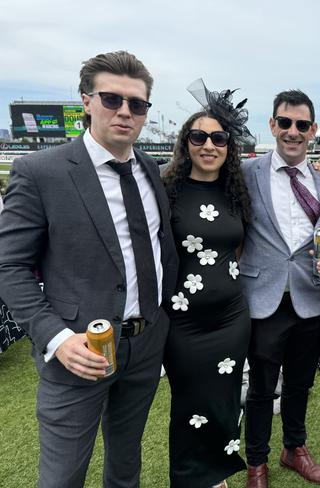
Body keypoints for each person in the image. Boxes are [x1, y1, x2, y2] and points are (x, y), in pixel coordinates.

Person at [0, 51, 178, 487]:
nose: (124, 111)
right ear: (86, 101)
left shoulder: (151, 170)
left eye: (137, 104)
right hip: (77, 350)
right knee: (63, 476)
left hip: (144, 345)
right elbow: (10, 266)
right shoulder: (40, 171)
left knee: (125, 463)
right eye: (111, 99)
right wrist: (56, 339)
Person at [239, 90, 320, 488]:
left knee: (301, 382)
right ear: (273, 125)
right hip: (263, 299)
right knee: (262, 388)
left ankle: (294, 448)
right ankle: (256, 463)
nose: (293, 132)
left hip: (310, 297)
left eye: (302, 125)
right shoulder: (247, 174)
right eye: (285, 123)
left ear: (313, 130)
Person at [161, 80, 253, 488]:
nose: (209, 145)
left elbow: (239, 249)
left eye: (218, 138)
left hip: (231, 318)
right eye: (199, 136)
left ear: (228, 147)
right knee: (189, 404)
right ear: (186, 143)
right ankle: (189, 478)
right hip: (184, 323)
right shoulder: (165, 190)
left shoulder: (237, 193)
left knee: (224, 401)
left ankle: (216, 476)